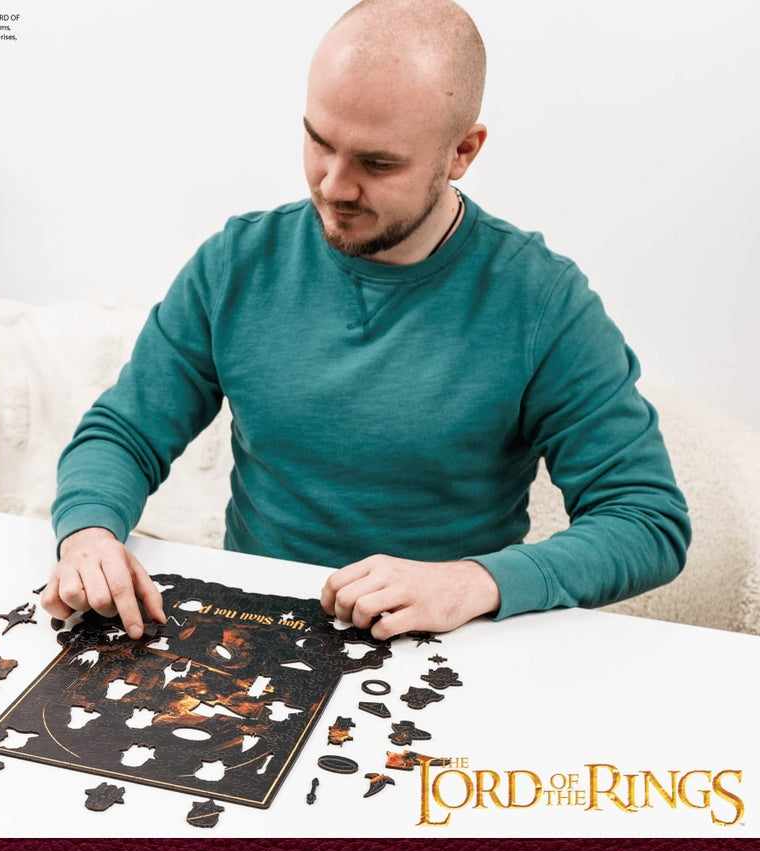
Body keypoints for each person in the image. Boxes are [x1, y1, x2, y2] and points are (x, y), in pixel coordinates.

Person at [41, 0, 690, 641]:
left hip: (442, 650)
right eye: (319, 143)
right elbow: (125, 431)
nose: (334, 185)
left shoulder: (541, 299)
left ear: (461, 151)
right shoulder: (238, 263)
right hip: (254, 631)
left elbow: (645, 520)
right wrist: (90, 531)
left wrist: (471, 582)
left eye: (378, 164)